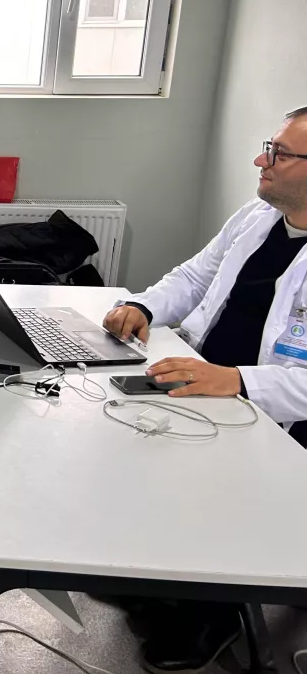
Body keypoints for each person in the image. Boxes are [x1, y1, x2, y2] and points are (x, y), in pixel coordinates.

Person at [101, 105, 307, 673]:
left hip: (284, 419)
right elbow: (194, 276)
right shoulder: (256, 218)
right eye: (269, 146)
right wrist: (142, 305)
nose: (261, 161)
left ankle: (213, 616)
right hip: (203, 380)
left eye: (280, 154)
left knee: (213, 493)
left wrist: (238, 380)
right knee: (112, 436)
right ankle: (156, 586)